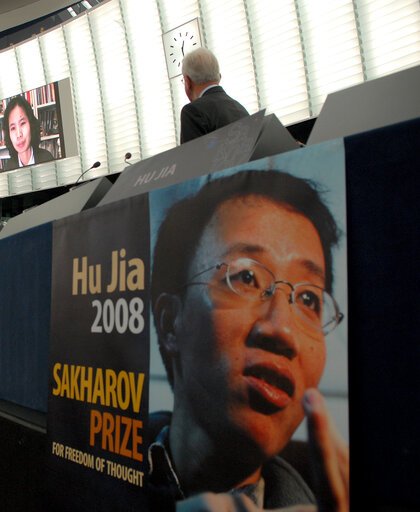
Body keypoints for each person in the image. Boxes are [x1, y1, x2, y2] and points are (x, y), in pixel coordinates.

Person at [147, 170, 348, 510]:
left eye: (309, 299)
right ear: (170, 323)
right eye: (246, 277)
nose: (283, 330)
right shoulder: (90, 469)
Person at [179, 48, 249, 144]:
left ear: (188, 82)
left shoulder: (193, 112)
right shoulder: (240, 108)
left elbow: (191, 157)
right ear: (219, 77)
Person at [2, 95, 54, 170]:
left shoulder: (47, 159)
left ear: (31, 124)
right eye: (13, 128)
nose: (19, 134)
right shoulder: (8, 168)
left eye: (22, 123)